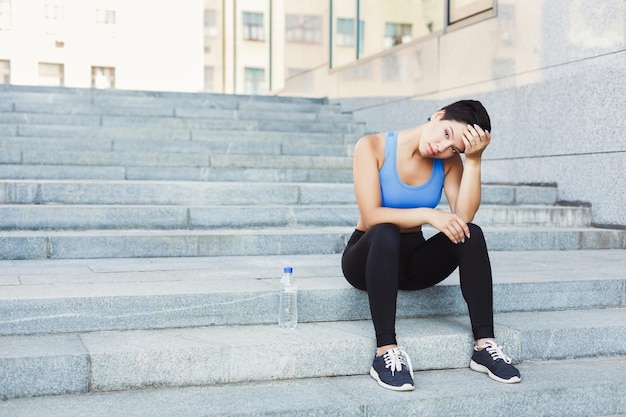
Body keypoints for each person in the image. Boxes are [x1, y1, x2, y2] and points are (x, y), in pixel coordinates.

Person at [341, 100, 521, 391]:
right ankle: (385, 351)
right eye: (447, 134)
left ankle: (484, 345)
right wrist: (428, 214)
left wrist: (473, 160)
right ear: (438, 116)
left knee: (470, 232)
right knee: (385, 230)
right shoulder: (372, 147)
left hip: (411, 262)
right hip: (366, 255)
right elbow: (372, 215)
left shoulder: (449, 162)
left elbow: (462, 217)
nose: (443, 147)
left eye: (455, 148)